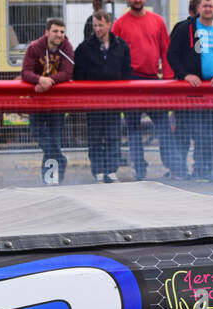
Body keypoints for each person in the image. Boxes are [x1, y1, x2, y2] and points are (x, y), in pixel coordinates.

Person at [167, 0, 213, 182]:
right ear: (198, 8)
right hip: (193, 91)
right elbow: (172, 54)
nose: (208, 9)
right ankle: (198, 169)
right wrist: (185, 75)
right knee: (197, 131)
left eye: (211, 5)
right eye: (204, 5)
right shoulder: (186, 29)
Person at [113, 0, 178, 180]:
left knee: (164, 125)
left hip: (152, 81)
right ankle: (139, 169)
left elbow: (166, 50)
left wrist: (167, 79)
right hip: (130, 81)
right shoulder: (119, 24)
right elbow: (113, 53)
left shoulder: (157, 21)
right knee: (133, 128)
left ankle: (173, 167)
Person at [75, 10, 132, 182]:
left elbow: (126, 72)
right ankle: (98, 170)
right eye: (95, 25)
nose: (98, 29)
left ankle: (111, 170)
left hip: (114, 100)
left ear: (109, 24)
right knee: (94, 135)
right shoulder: (84, 48)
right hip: (92, 100)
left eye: (101, 25)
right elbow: (78, 75)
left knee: (113, 135)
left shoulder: (121, 46)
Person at [21, 18, 74, 185]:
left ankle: (50, 180)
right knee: (37, 132)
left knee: (55, 139)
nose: (59, 35)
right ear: (47, 32)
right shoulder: (34, 48)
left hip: (57, 103)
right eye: (55, 31)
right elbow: (25, 72)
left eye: (62, 32)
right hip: (36, 102)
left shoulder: (67, 47)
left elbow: (67, 72)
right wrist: (39, 80)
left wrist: (47, 82)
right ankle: (60, 160)